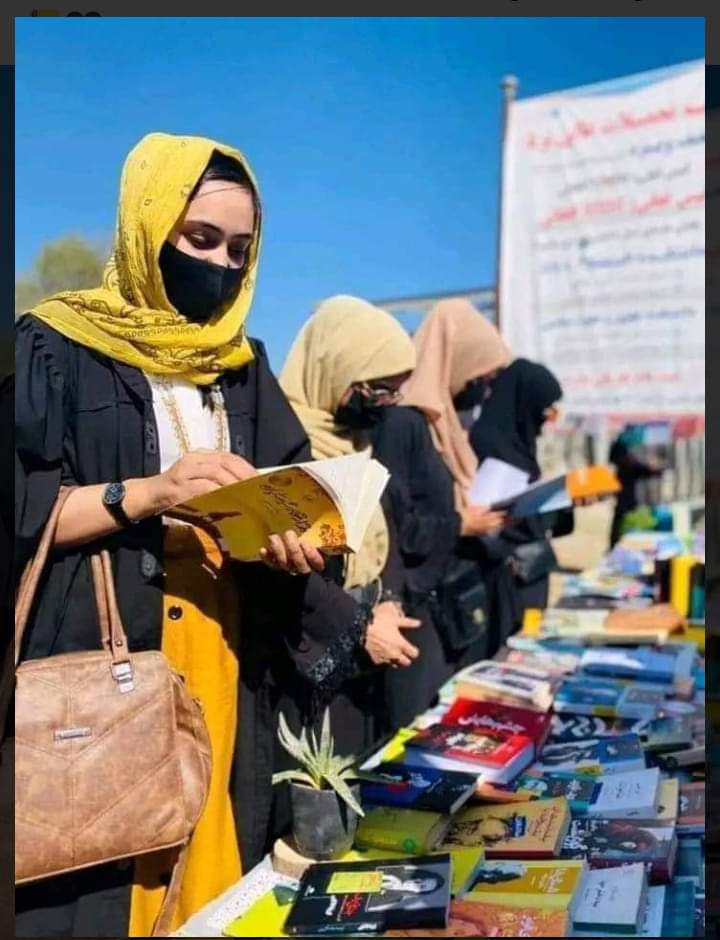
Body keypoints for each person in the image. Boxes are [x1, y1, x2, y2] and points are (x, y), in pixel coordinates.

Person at [14, 133, 418, 939]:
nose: (221, 267)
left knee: (214, 870)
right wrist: (153, 493)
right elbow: (25, 511)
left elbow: (294, 490)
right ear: (147, 226)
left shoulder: (239, 365)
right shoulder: (57, 348)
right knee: (106, 874)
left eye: (240, 250)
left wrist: (297, 537)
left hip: (225, 658)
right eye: (200, 241)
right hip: (107, 662)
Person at [279, 295, 421, 751]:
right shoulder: (284, 444)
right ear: (335, 371)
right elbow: (290, 578)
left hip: (368, 647)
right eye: (378, 389)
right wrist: (360, 626)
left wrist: (390, 602)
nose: (387, 405)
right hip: (307, 665)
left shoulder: (356, 443)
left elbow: (385, 534)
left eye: (395, 392)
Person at [371, 299, 509, 728]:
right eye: (479, 375)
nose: (481, 387)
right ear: (455, 360)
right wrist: (462, 523)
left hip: (443, 602)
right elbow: (397, 524)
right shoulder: (402, 424)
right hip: (413, 607)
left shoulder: (442, 424)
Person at [469, 358, 574, 640]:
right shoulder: (486, 441)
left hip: (531, 569)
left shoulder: (522, 441)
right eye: (545, 409)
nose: (547, 417)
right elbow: (487, 513)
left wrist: (566, 500)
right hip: (504, 575)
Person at [608, 424, 665, 547]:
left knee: (623, 521)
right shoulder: (622, 450)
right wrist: (653, 469)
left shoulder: (624, 449)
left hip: (627, 492)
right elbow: (635, 468)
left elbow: (637, 468)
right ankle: (617, 546)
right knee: (623, 521)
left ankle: (617, 545)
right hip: (625, 494)